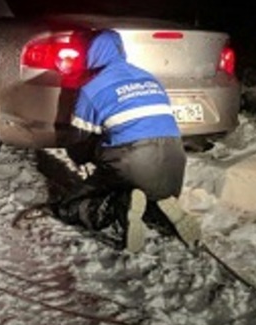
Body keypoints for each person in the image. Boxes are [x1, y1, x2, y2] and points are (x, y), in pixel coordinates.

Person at [51, 29, 201, 252]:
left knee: (69, 207)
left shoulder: (91, 89)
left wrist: (90, 159)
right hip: (174, 163)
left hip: (132, 163)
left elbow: (78, 145)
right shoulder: (150, 78)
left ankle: (117, 207)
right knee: (145, 194)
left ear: (93, 54)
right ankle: (161, 206)